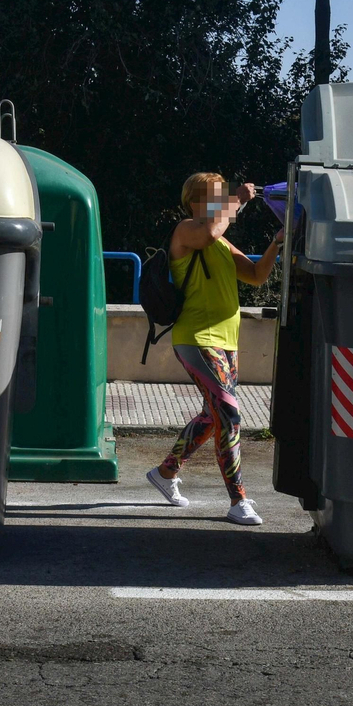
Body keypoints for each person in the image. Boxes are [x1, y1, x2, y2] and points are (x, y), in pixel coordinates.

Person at [146, 172, 282, 525]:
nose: (222, 202)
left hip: (227, 341)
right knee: (229, 413)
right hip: (196, 337)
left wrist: (276, 244)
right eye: (215, 197)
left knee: (213, 415)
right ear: (194, 202)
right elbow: (208, 232)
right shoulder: (186, 231)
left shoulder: (221, 241)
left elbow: (256, 275)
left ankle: (165, 472)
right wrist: (238, 200)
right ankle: (238, 500)